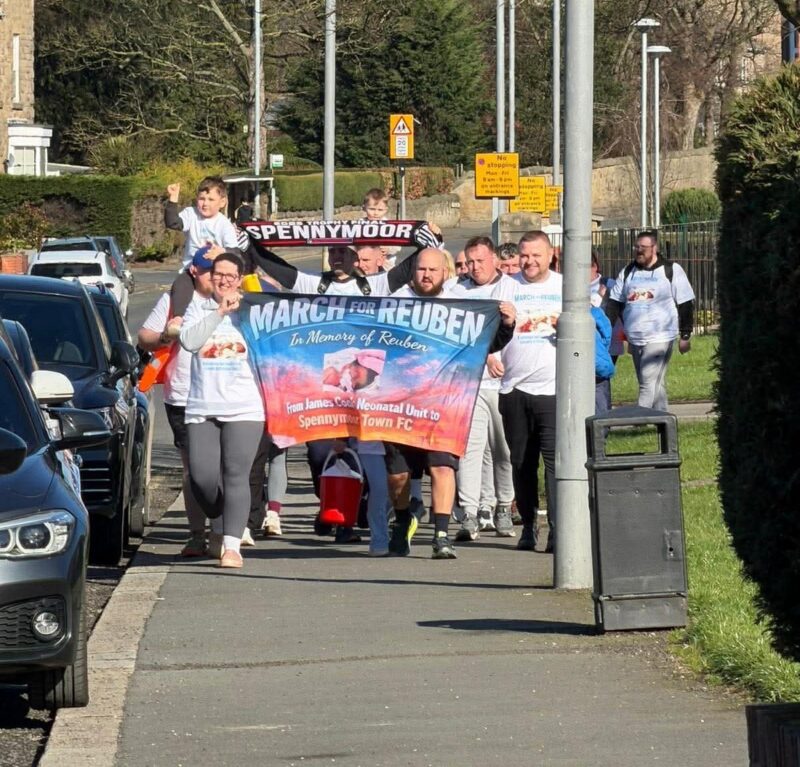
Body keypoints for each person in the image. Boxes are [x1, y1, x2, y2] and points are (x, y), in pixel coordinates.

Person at [386, 248, 516, 559]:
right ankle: (403, 519)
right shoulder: (395, 302)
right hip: (399, 402)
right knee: (399, 475)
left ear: (445, 272)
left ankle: (441, 535)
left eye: (433, 269)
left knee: (442, 466)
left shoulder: (461, 302)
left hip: (445, 402)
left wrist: (507, 325)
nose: (426, 275)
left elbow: (484, 342)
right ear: (412, 272)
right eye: (420, 270)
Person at [179, 251, 266, 569]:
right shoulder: (197, 307)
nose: (224, 280)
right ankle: (220, 519)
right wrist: (218, 312)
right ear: (210, 277)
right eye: (219, 275)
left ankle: (232, 545)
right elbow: (189, 342)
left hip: (245, 406)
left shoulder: (254, 310)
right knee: (201, 477)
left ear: (240, 278)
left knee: (236, 474)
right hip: (203, 405)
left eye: (231, 275)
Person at [137, 249, 216, 557]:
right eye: (210, 270)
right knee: (193, 469)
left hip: (227, 397)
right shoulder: (176, 300)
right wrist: (166, 337)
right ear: (195, 271)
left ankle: (224, 531)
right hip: (183, 395)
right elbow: (145, 336)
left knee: (223, 468)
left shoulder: (233, 299)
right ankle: (197, 533)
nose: (216, 276)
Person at [449, 236, 517, 542]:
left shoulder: (511, 289)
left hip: (505, 383)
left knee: (503, 449)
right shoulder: (457, 290)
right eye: (470, 262)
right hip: (470, 382)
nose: (474, 268)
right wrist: (484, 355)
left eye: (480, 261)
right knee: (470, 450)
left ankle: (503, 506)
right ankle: (470, 513)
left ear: (494, 260)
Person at [499, 230, 562, 553]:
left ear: (551, 255)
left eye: (536, 255)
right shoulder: (507, 288)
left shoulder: (564, 287)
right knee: (522, 463)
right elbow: (487, 332)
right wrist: (492, 355)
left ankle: (557, 529)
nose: (529, 261)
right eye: (524, 255)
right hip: (514, 387)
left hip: (552, 389)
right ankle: (528, 525)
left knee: (554, 463)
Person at [605, 230, 695, 411]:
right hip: (636, 338)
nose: (639, 251)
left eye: (643, 248)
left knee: (647, 382)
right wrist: (606, 330)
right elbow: (615, 303)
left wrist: (685, 335)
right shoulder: (628, 271)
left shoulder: (671, 270)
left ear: (655, 248)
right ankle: (663, 421)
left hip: (660, 336)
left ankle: (638, 420)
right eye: (636, 247)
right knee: (655, 384)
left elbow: (686, 303)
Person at [162, 178, 245, 339]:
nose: (205, 203)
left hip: (214, 271)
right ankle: (177, 318)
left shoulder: (223, 224)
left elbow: (236, 254)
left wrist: (221, 253)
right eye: (201, 199)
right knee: (180, 283)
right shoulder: (191, 214)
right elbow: (173, 223)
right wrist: (173, 199)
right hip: (192, 270)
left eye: (211, 199)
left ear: (222, 202)